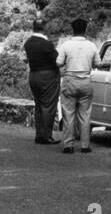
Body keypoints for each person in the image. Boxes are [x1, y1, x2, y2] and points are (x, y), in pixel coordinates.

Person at [57, 18, 98, 153]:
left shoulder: (66, 45)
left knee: (68, 113)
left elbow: (59, 63)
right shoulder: (91, 46)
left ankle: (68, 144)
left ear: (72, 30)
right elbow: (97, 63)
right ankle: (85, 145)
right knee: (85, 114)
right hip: (86, 80)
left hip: (70, 80)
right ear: (85, 29)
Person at [23, 19, 60, 144]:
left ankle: (39, 134)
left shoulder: (28, 43)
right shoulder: (46, 44)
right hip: (47, 76)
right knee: (48, 106)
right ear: (44, 28)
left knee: (38, 105)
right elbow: (57, 60)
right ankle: (46, 136)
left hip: (33, 75)